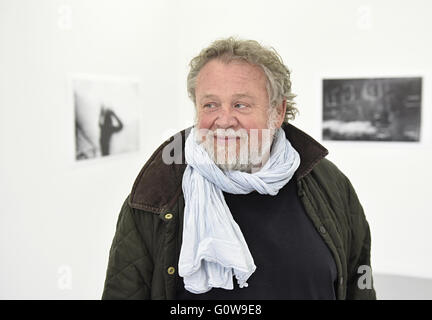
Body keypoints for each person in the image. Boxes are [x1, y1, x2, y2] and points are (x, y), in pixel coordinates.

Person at [101, 37, 376, 300]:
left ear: (278, 112)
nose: (223, 120)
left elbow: (358, 285)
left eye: (240, 104)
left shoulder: (330, 185)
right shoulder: (156, 197)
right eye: (210, 105)